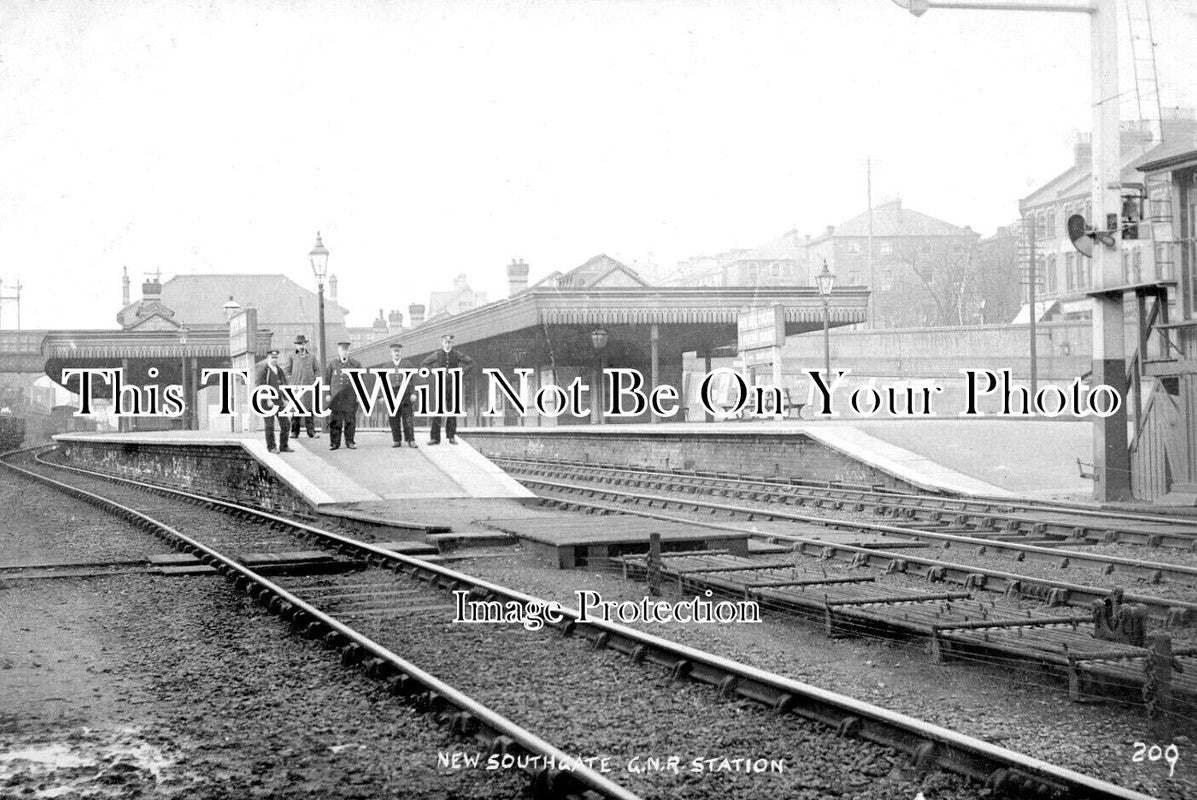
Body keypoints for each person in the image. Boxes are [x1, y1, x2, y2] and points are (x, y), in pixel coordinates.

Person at [420, 334, 473, 445]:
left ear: (452, 343)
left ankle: (451, 436)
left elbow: (470, 362)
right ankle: (435, 438)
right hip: (440, 384)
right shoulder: (437, 354)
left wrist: (462, 372)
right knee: (437, 411)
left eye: (450, 342)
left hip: (453, 385)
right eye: (446, 342)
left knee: (452, 410)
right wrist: (433, 372)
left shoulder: (457, 354)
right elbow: (424, 364)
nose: (448, 344)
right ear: (442, 343)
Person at [324, 341, 362, 450]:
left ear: (348, 351)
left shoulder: (356, 364)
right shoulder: (332, 364)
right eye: (342, 350)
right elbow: (327, 380)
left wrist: (359, 396)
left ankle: (350, 442)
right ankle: (335, 443)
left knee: (350, 419)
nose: (344, 352)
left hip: (350, 397)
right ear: (338, 351)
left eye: (346, 350)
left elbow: (360, 382)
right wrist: (327, 394)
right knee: (336, 420)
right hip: (336, 397)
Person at [256, 349, 292, 453]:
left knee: (286, 423)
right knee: (269, 425)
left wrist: (285, 399)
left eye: (276, 357)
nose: (274, 359)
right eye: (272, 357)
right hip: (268, 402)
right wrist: (268, 399)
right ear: (268, 358)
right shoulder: (264, 370)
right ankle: (271, 447)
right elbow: (261, 386)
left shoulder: (279, 370)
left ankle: (284, 445)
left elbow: (284, 385)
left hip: (279, 401)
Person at [285, 334, 320, 439]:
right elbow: (287, 371)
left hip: (309, 387)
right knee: (296, 410)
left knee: (309, 410)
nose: (301, 346)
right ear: (296, 346)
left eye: (303, 344)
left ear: (306, 344)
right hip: (296, 388)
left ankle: (311, 432)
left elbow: (317, 370)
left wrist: (315, 381)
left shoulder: (312, 356)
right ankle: (294, 432)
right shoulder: (292, 356)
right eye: (299, 344)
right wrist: (291, 382)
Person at [386, 343, 418, 449]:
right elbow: (382, 382)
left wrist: (413, 393)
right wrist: (381, 396)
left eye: (398, 351)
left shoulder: (407, 364)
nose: (396, 353)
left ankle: (411, 440)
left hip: (405, 394)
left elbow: (412, 380)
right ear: (391, 353)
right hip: (392, 394)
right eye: (394, 351)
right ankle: (396, 440)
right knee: (393, 418)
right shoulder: (387, 366)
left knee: (407, 418)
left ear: (401, 352)